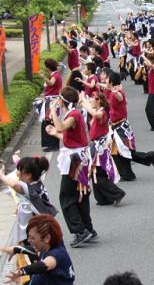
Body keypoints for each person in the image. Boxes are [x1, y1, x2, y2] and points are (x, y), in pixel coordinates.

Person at [0, 156, 60, 285]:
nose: (17, 174)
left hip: (33, 239)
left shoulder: (27, 189)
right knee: (42, 271)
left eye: (19, 171)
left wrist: (1, 175)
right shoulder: (37, 184)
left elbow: (13, 184)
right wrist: (16, 159)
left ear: (28, 175)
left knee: (32, 274)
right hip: (39, 235)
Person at [46, 87, 96, 247]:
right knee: (80, 195)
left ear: (62, 100)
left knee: (66, 196)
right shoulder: (74, 114)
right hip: (79, 158)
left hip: (75, 161)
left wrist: (53, 110)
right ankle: (87, 228)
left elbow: (61, 127)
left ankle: (80, 231)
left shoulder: (73, 115)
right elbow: (69, 137)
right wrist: (55, 133)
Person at [106, 70, 154, 182]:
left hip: (121, 126)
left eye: (106, 79)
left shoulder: (117, 91)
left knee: (124, 151)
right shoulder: (112, 90)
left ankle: (147, 158)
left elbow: (121, 98)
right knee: (117, 152)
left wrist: (115, 92)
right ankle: (128, 173)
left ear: (111, 82)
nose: (105, 81)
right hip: (115, 125)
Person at [85, 92, 126, 207]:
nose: (91, 101)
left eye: (93, 99)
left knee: (99, 173)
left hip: (100, 147)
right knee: (95, 173)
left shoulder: (102, 112)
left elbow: (95, 114)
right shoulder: (98, 112)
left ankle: (118, 193)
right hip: (96, 145)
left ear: (99, 101)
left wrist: (83, 102)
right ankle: (103, 198)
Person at [39, 58, 63, 152]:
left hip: (52, 101)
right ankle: (51, 144)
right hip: (52, 100)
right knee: (49, 121)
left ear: (48, 68)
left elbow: (51, 83)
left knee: (50, 122)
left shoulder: (55, 76)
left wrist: (43, 77)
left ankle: (53, 145)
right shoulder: (56, 74)